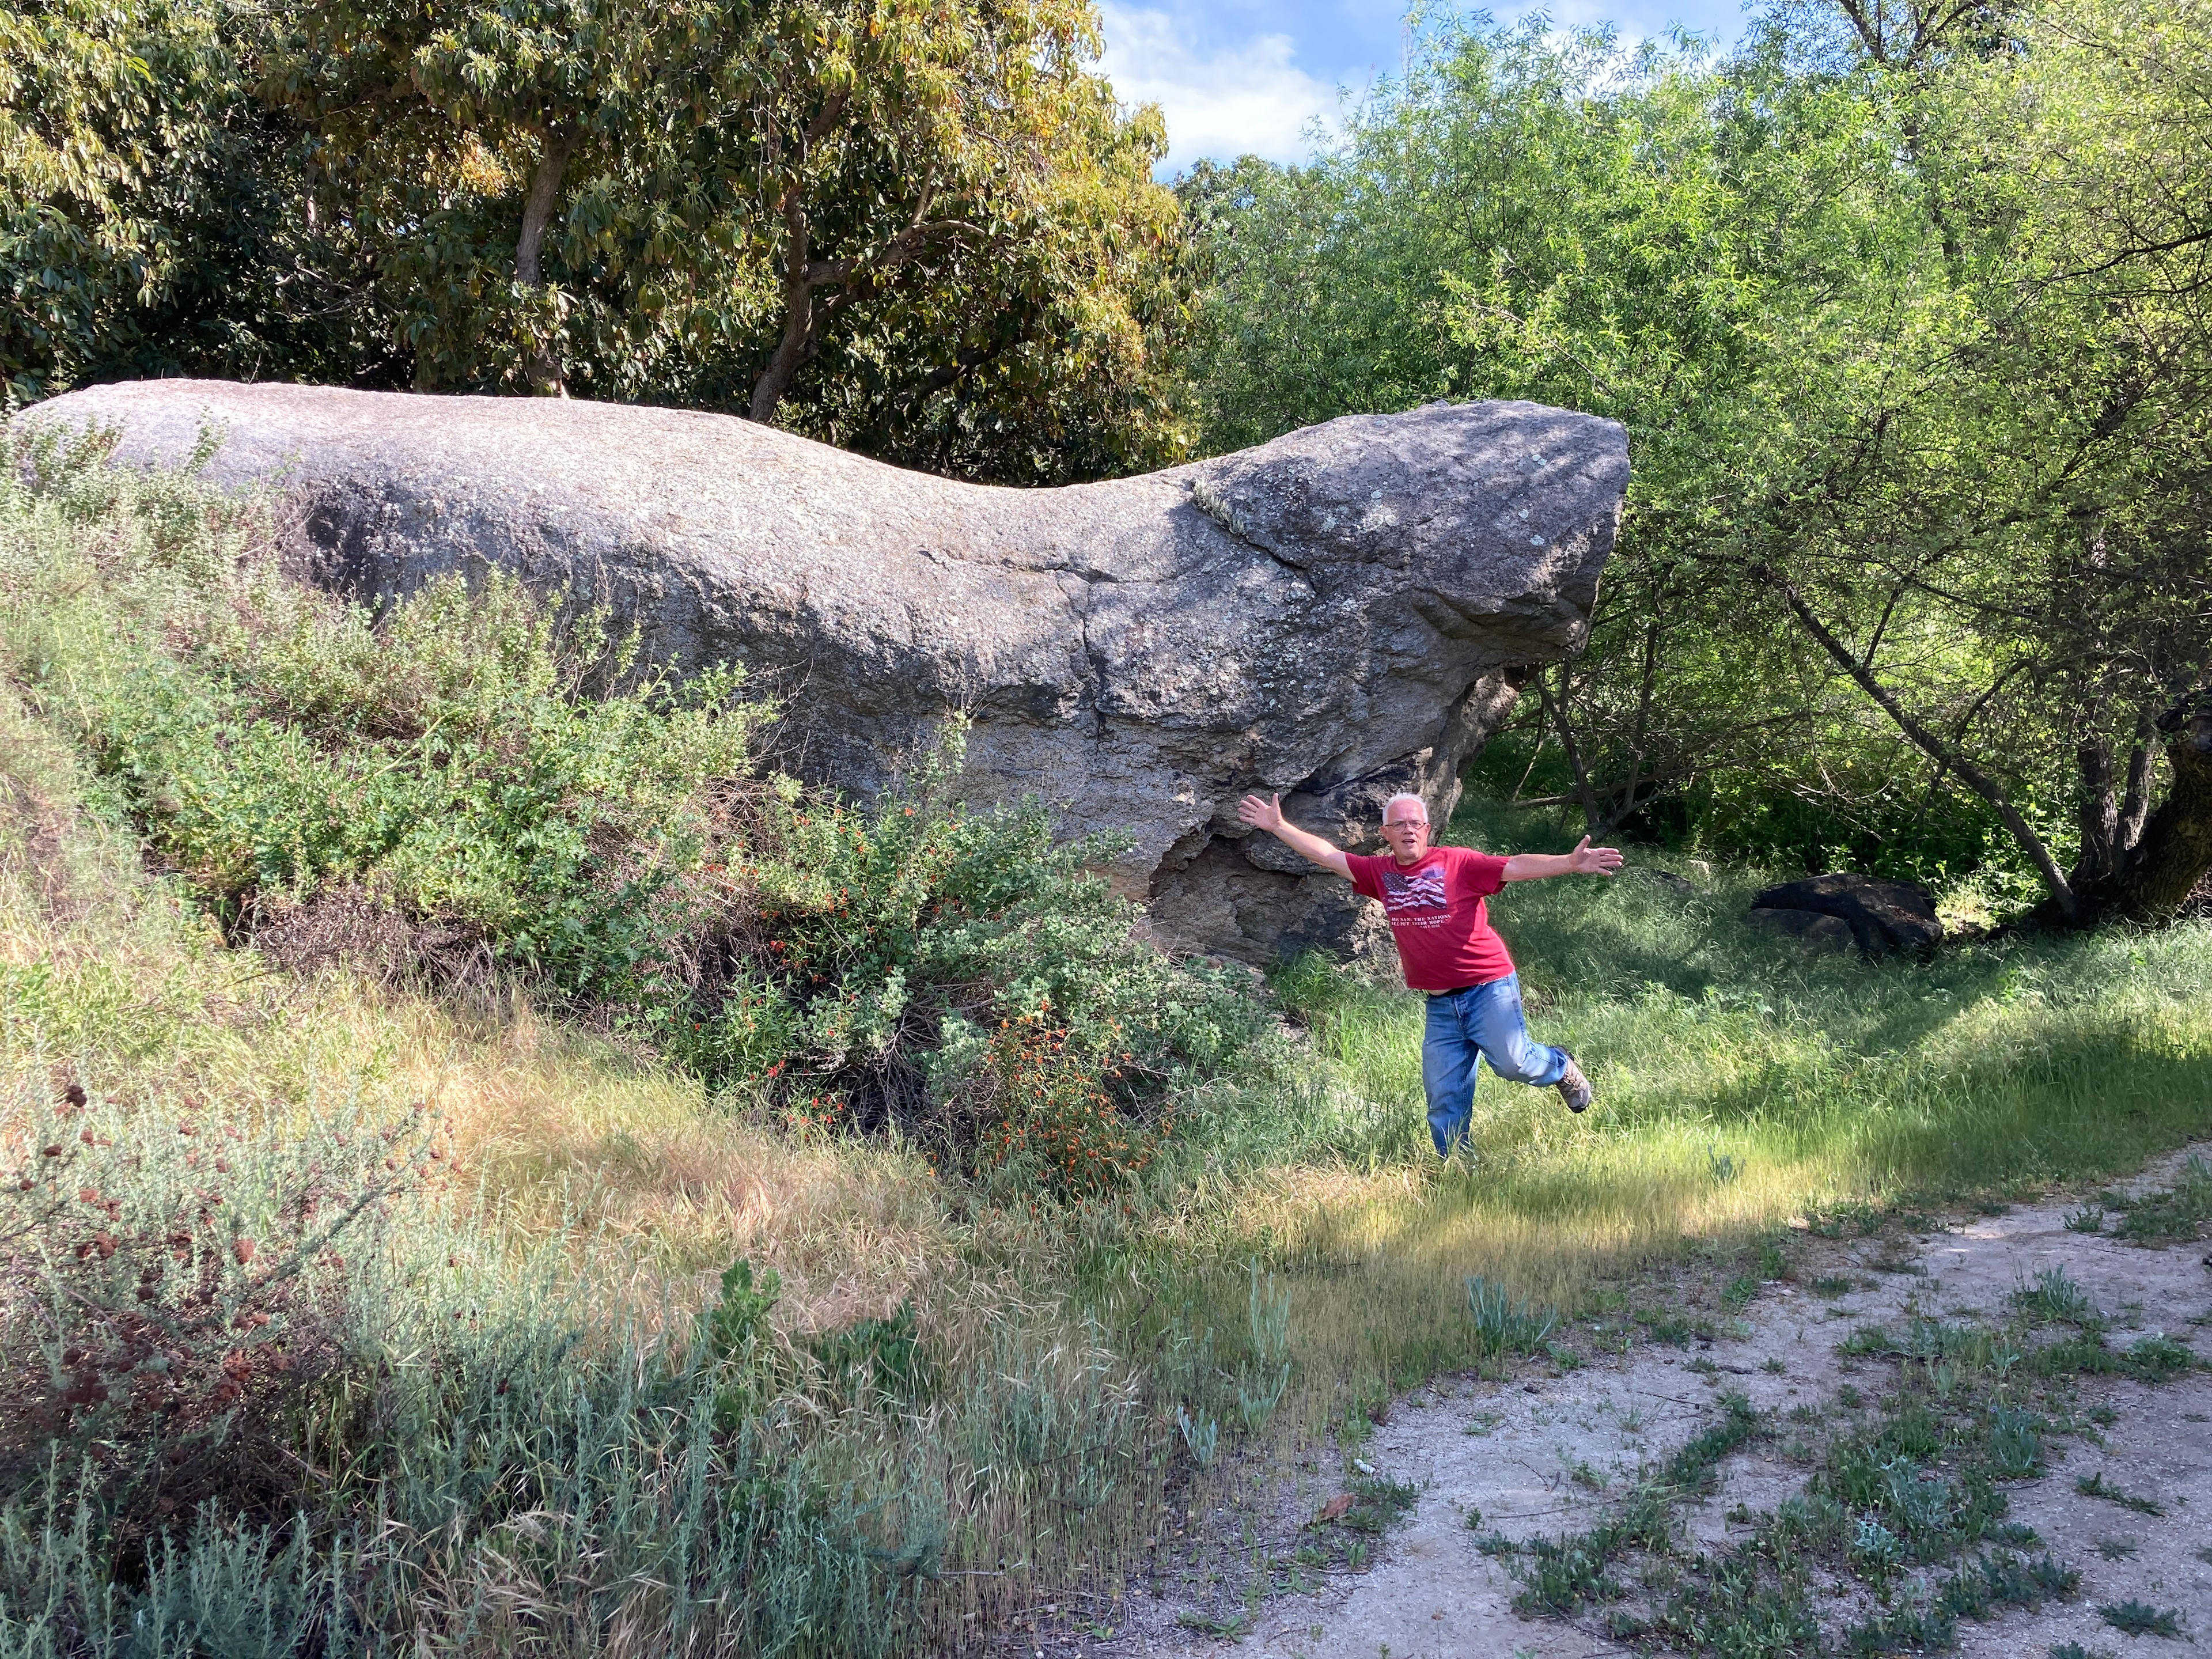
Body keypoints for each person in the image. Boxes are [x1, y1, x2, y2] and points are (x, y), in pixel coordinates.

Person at [1236, 789, 1624, 1157]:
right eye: (1399, 825)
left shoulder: (1459, 862)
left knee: (1514, 1063)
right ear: (1385, 834)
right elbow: (1328, 855)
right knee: (1443, 1096)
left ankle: (1560, 1066)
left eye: (1416, 823)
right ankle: (1459, 1168)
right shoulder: (1379, 873)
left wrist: (1570, 863)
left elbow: (1514, 866)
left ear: (1428, 830)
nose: (1409, 830)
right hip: (1440, 1005)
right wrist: (1277, 826)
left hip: (1488, 987)